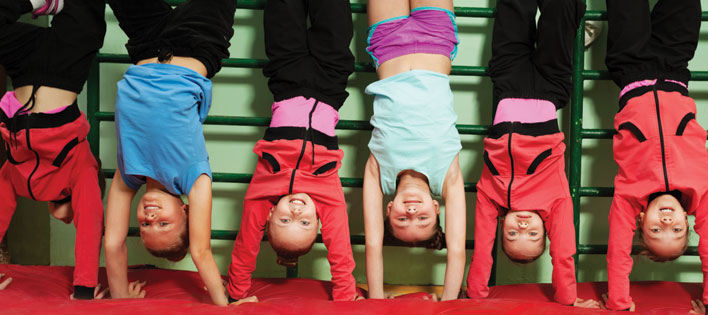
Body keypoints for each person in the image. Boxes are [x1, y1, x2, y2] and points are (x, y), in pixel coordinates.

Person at [102, 0, 253, 306]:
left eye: (144, 225)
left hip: (146, 44)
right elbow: (201, 251)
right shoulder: (194, 180)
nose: (151, 217)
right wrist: (225, 307)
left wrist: (119, 299)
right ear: (186, 213)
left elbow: (113, 243)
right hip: (199, 42)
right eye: (163, 224)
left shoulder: (128, 173)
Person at [464, 0, 596, 308]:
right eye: (533, 235)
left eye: (512, 235)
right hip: (550, 87)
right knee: (559, 15)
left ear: (502, 226)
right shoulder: (555, 200)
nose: (522, 227)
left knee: (513, 11)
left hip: (507, 84)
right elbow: (563, 253)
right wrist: (567, 298)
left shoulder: (490, 198)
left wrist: (475, 295)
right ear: (544, 231)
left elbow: (482, 251)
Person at [226, 0, 359, 302]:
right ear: (318, 221)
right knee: (333, 13)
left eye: (285, 221)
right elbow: (340, 253)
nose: (296, 212)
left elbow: (246, 247)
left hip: (286, 77)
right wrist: (345, 298)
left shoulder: (261, 194)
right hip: (331, 80)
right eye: (304, 222)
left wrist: (236, 294)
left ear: (269, 215)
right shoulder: (328, 196)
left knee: (283, 9)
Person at [602, 0, 708, 313]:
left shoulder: (629, 197)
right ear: (687, 220)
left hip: (630, 66)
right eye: (677, 229)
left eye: (657, 230)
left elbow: (618, 250)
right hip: (674, 66)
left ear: (641, 221)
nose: (667, 221)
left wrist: (618, 301)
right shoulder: (701, 193)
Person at [361, 0, 466, 301]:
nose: (412, 213)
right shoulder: (449, 177)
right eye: (423, 219)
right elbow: (457, 250)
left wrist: (376, 300)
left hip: (388, 39)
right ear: (436, 209)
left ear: (389, 210)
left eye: (402, 220)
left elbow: (372, 246)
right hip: (435, 37)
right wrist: (448, 303)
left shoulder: (377, 174)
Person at [0, 0, 106, 299]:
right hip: (64, 66)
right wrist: (84, 289)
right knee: (87, 15)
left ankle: (39, 2)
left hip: (24, 69)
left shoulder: (16, 177)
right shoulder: (82, 168)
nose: (68, 219)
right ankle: (60, 5)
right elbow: (90, 225)